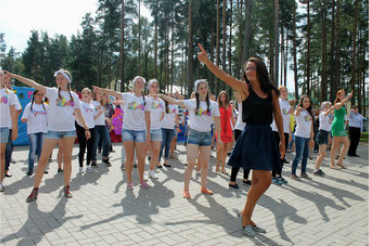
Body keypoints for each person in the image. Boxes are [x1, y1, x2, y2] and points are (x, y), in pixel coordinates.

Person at [197, 44, 284, 237]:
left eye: (252, 67)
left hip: (267, 135)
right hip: (251, 135)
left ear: (260, 70)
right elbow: (223, 76)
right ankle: (245, 218)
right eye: (246, 69)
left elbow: (277, 115)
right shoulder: (244, 88)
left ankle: (247, 217)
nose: (249, 71)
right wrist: (207, 61)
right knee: (266, 180)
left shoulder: (271, 91)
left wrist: (282, 139)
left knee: (256, 181)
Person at [6, 69, 91, 202]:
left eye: (61, 78)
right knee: (42, 160)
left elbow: (79, 114)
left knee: (67, 159)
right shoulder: (51, 92)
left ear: (68, 80)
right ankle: (35, 189)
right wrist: (15, 76)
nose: (59, 80)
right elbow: (33, 84)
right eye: (57, 78)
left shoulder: (74, 96)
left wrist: (86, 127)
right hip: (53, 131)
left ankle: (67, 187)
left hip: (69, 130)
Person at [159, 79, 222, 198]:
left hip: (207, 135)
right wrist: (162, 95)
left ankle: (203, 187)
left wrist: (219, 138)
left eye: (205, 87)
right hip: (194, 134)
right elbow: (175, 101)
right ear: (197, 91)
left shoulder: (213, 104)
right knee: (191, 163)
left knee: (205, 164)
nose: (204, 89)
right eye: (201, 88)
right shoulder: (192, 102)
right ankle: (186, 189)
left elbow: (217, 122)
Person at [94, 76, 151, 190]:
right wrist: (101, 89)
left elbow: (148, 118)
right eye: (137, 82)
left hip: (140, 131)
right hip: (128, 130)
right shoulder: (127, 96)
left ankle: (141, 179)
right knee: (129, 158)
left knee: (141, 157)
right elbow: (113, 92)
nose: (139, 84)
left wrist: (148, 133)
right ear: (134, 85)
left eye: (141, 83)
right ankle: (129, 181)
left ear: (143, 86)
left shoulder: (146, 100)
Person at [21, 90, 49, 176]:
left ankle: (41, 168)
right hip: (32, 131)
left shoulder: (46, 107)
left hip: (43, 131)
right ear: (34, 95)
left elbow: (50, 118)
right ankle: (30, 168)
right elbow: (24, 117)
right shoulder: (29, 106)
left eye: (41, 95)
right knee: (33, 150)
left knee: (42, 150)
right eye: (38, 95)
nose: (40, 96)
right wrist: (24, 119)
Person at [0, 69, 18, 192]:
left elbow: (13, 112)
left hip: (4, 127)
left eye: (0, 74)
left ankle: (0, 181)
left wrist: (15, 129)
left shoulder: (9, 93)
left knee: (1, 155)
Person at [271, 86, 294, 185]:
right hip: (276, 130)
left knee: (282, 153)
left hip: (284, 131)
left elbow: (288, 120)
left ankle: (279, 175)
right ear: (279, 93)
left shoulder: (288, 105)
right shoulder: (278, 102)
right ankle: (273, 175)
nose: (284, 93)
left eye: (286, 91)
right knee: (276, 153)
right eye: (282, 91)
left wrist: (289, 132)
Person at [228, 94, 251, 191]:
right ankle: (232, 181)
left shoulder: (257, 99)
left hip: (250, 130)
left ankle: (245, 178)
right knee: (239, 154)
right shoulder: (243, 99)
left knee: (249, 155)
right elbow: (237, 90)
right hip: (240, 129)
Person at [76, 88, 100, 172]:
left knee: (91, 148)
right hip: (82, 127)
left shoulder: (92, 106)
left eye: (87, 93)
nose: (85, 95)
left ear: (90, 95)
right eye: (84, 93)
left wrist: (99, 114)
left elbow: (94, 117)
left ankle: (88, 165)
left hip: (92, 128)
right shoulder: (79, 103)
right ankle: (81, 166)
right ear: (81, 94)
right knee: (82, 147)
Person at [291, 95, 315, 181]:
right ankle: (293, 174)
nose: (307, 103)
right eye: (305, 101)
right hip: (300, 136)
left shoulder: (308, 112)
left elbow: (311, 126)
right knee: (298, 155)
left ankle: (303, 172)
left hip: (307, 137)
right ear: (301, 102)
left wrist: (312, 138)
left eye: (308, 101)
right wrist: (297, 109)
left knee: (305, 156)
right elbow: (296, 114)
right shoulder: (299, 111)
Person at [3, 76, 22, 178]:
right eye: (4, 82)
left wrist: (14, 119)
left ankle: (6, 169)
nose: (6, 84)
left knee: (8, 148)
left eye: (8, 82)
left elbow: (18, 109)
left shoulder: (12, 95)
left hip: (8, 126)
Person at [146, 79, 165, 179]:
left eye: (156, 86)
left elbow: (163, 113)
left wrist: (158, 120)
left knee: (157, 151)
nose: (154, 88)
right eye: (152, 86)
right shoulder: (145, 99)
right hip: (146, 129)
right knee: (143, 151)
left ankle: (151, 170)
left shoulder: (161, 101)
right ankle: (142, 171)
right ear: (149, 88)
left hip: (157, 129)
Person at [330, 90, 353, 169]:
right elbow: (341, 104)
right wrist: (347, 98)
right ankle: (332, 164)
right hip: (337, 126)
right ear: (338, 96)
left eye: (344, 95)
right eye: (342, 95)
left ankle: (340, 161)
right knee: (335, 145)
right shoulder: (337, 104)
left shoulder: (342, 105)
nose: (343, 96)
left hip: (341, 126)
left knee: (347, 144)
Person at [216, 91, 235, 175]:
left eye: (224, 96)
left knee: (225, 149)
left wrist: (236, 128)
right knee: (219, 148)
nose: (222, 98)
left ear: (226, 97)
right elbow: (215, 118)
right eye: (221, 97)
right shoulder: (217, 106)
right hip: (220, 129)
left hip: (228, 129)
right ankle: (217, 166)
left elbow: (232, 118)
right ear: (219, 98)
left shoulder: (230, 106)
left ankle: (223, 168)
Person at [91, 91, 111, 168]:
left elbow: (101, 115)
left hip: (102, 126)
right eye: (99, 93)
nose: (101, 95)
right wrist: (96, 110)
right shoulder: (92, 103)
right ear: (95, 95)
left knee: (108, 142)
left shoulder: (102, 104)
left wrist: (106, 118)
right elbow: (91, 115)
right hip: (94, 126)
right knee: (95, 144)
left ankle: (105, 157)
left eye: (102, 94)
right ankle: (93, 160)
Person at [313, 101, 334, 176]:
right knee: (323, 154)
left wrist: (329, 138)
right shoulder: (322, 114)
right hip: (321, 134)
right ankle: (316, 169)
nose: (328, 107)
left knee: (320, 154)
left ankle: (317, 168)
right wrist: (332, 108)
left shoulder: (329, 116)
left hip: (325, 133)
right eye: (326, 106)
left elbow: (327, 127)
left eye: (329, 106)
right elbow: (325, 114)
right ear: (322, 108)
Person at [159, 93, 179, 168]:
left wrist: (177, 126)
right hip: (163, 127)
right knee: (162, 144)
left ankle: (166, 161)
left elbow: (176, 117)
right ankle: (158, 160)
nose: (170, 98)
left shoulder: (175, 106)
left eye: (172, 97)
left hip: (171, 128)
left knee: (168, 145)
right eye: (169, 97)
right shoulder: (163, 105)